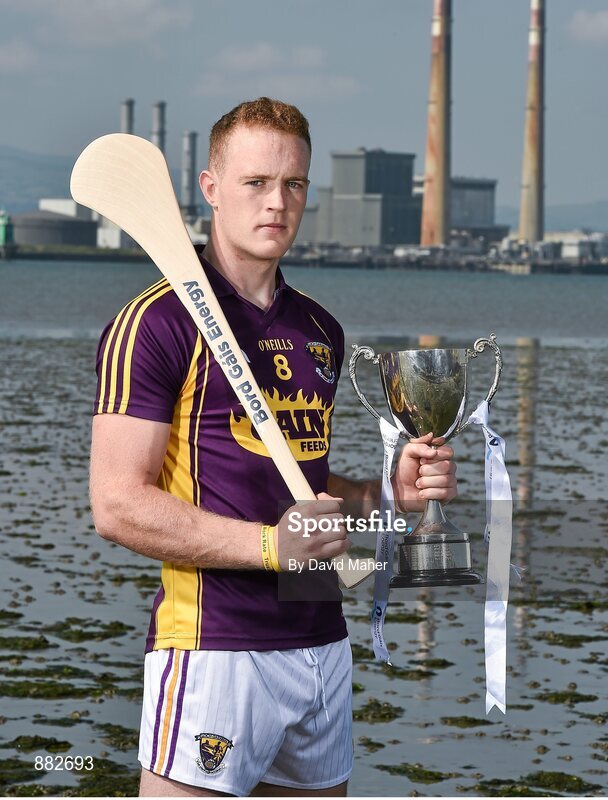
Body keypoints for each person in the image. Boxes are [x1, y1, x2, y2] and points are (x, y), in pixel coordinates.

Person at [90, 97, 458, 798]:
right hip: (215, 650)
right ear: (210, 189)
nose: (276, 203)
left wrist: (390, 494)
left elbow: (308, 490)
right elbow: (117, 506)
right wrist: (270, 548)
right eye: (255, 183)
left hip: (321, 644)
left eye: (293, 184)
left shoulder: (318, 329)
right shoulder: (155, 324)